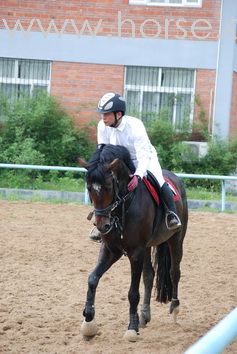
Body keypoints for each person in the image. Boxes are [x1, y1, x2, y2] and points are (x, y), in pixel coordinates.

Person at [90, 92, 181, 242]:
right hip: (120, 162)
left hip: (144, 158)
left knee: (159, 179)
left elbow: (143, 154)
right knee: (106, 186)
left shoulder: (135, 126)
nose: (103, 118)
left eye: (106, 114)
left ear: (118, 114)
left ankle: (171, 214)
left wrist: (138, 175)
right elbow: (103, 151)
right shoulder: (102, 126)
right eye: (101, 114)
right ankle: (101, 221)